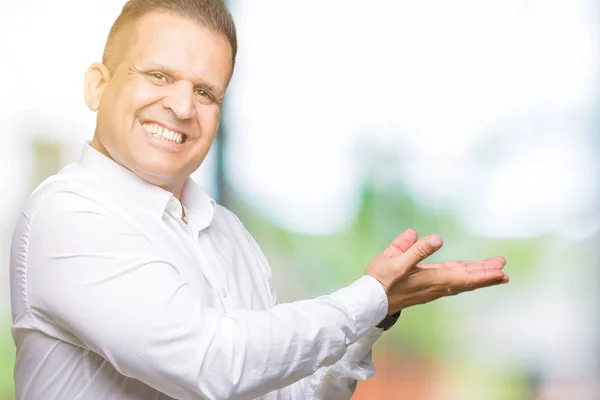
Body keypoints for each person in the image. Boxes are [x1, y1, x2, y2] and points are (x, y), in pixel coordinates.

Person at [9, 0, 509, 399]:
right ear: (98, 86)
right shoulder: (69, 212)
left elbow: (279, 391)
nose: (182, 107)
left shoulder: (227, 232)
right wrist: (367, 296)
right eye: (158, 75)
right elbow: (212, 366)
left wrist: (375, 316)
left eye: (205, 92)